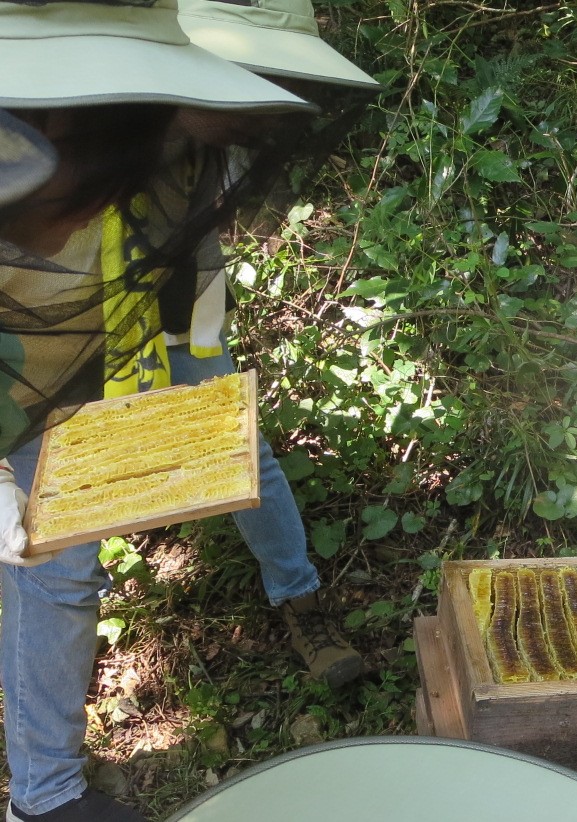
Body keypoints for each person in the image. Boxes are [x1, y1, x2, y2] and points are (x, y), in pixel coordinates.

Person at [0, 2, 315, 819]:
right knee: (52, 559)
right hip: (31, 377)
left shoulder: (170, 127)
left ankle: (301, 597)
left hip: (164, 330)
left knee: (239, 449)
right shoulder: (42, 130)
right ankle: (45, 796)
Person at [154, 0, 386, 689]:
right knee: (63, 499)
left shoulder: (217, 132)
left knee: (241, 455)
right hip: (73, 332)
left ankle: (300, 600)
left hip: (184, 314)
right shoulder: (96, 115)